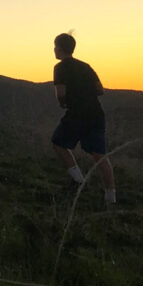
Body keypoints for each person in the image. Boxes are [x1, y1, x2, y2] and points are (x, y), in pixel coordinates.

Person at [50, 33, 116, 204]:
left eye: (55, 46)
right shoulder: (86, 66)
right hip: (96, 113)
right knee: (100, 155)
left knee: (58, 143)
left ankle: (78, 180)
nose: (54, 50)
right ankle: (111, 197)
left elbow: (60, 93)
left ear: (59, 48)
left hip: (76, 114)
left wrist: (64, 103)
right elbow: (100, 89)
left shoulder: (60, 68)